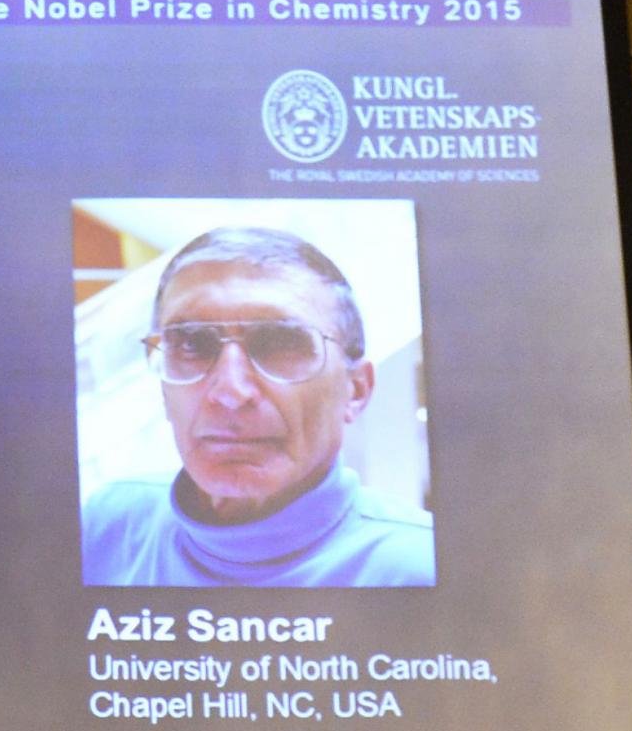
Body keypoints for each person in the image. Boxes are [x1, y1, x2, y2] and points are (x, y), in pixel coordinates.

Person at [82, 226, 434, 588]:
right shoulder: (110, 526)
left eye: (281, 343)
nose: (230, 391)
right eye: (191, 345)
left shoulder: (423, 567)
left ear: (355, 391)